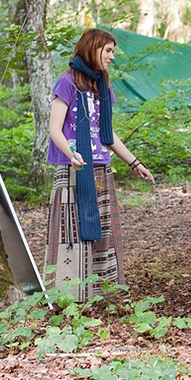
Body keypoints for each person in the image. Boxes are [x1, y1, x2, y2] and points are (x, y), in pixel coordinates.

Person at [45, 28, 154, 302]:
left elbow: (107, 133)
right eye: (108, 51)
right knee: (73, 233)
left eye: (113, 51)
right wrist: (71, 153)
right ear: (92, 49)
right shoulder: (67, 83)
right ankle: (70, 298)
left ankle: (105, 295)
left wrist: (134, 162)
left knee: (103, 234)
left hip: (100, 169)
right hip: (74, 170)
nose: (112, 57)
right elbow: (54, 128)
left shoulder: (101, 87)